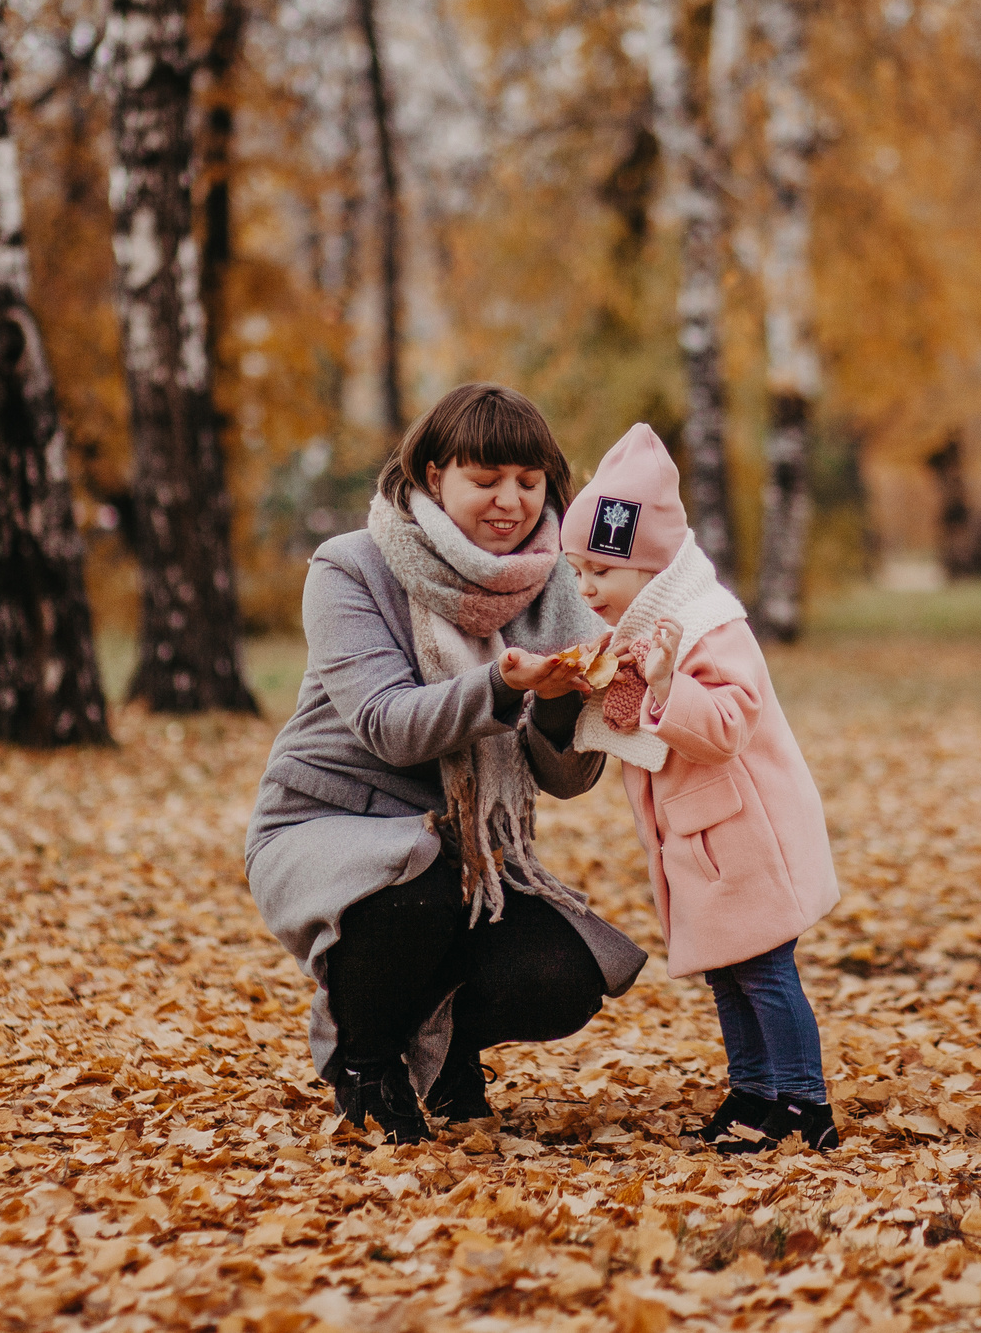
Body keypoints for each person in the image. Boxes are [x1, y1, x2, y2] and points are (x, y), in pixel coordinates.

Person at [245, 385, 646, 1143]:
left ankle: (442, 1044)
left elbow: (564, 778)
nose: (511, 502)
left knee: (565, 975)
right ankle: (365, 1058)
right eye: (486, 479)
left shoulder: (556, 581)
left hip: (468, 854)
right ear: (434, 476)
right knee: (417, 884)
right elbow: (384, 725)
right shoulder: (351, 567)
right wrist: (501, 683)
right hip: (329, 828)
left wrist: (566, 697)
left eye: (529, 483)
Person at [563, 425, 842, 1153]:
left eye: (600, 570)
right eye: (576, 570)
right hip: (699, 834)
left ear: (648, 567)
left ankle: (804, 1102)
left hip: (745, 832)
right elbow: (628, 710)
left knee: (766, 971)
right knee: (728, 972)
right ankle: (753, 1091)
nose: (586, 587)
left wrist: (664, 684)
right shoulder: (639, 629)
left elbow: (724, 727)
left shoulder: (710, 627)